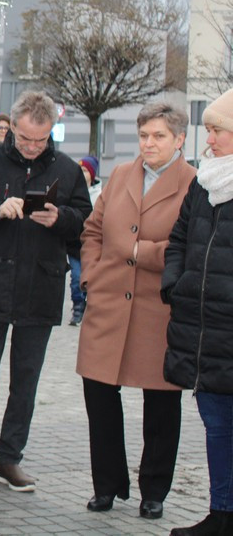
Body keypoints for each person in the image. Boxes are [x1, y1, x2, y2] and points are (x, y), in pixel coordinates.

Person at [0, 90, 92, 501]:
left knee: (25, 382)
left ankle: (9, 457)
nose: (30, 146)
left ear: (50, 133)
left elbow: (84, 222)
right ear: (12, 127)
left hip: (39, 287)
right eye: (24, 138)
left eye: (40, 140)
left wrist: (60, 217)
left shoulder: (66, 167)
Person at [76, 102, 195, 521]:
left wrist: (144, 253)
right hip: (108, 304)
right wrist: (90, 274)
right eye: (144, 135)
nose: (149, 143)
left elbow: (191, 247)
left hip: (157, 310)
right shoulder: (123, 175)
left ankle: (154, 490)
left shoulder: (192, 185)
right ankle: (106, 485)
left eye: (159, 136)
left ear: (179, 140)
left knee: (161, 404)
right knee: (99, 395)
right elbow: (92, 230)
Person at [161, 88, 233, 536]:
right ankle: (221, 512)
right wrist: (176, 283)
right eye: (207, 130)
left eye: (217, 130)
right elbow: (179, 240)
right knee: (217, 425)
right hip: (203, 329)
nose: (208, 139)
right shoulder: (205, 182)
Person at [67, 156, 102, 326]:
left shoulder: (100, 194)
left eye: (86, 170)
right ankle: (78, 307)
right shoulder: (73, 190)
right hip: (75, 246)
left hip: (93, 246)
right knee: (76, 278)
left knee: (91, 279)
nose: (83, 173)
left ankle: (89, 305)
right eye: (80, 170)